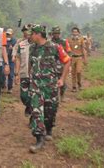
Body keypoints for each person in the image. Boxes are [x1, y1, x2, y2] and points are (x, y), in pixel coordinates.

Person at [27, 25, 69, 153]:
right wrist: (29, 76)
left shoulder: (55, 47)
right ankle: (39, 138)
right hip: (36, 86)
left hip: (50, 85)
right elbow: (31, 63)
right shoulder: (32, 48)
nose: (30, 36)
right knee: (36, 111)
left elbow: (67, 61)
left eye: (32, 34)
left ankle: (49, 127)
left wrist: (62, 79)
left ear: (38, 34)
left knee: (50, 110)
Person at [14, 24, 33, 116]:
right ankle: (29, 106)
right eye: (26, 30)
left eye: (29, 31)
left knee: (35, 97)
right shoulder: (21, 44)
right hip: (24, 74)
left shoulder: (39, 45)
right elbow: (18, 58)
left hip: (36, 75)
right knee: (23, 96)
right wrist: (16, 73)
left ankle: (33, 117)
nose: (27, 32)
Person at [51, 26, 71, 102]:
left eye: (57, 33)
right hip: (51, 63)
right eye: (55, 33)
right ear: (52, 33)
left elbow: (69, 52)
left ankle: (62, 96)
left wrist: (69, 63)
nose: (56, 34)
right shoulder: (49, 42)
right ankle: (54, 97)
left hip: (62, 63)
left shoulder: (64, 41)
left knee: (62, 80)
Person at [68, 27, 87, 92]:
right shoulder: (69, 40)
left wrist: (85, 59)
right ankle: (74, 86)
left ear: (78, 33)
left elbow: (83, 49)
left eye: (76, 32)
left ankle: (79, 83)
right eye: (73, 32)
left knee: (78, 71)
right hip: (72, 58)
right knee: (73, 73)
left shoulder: (81, 39)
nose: (74, 33)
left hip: (79, 57)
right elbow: (67, 50)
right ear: (72, 32)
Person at [4, 28, 17, 93]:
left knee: (11, 74)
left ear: (12, 34)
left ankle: (10, 88)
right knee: (2, 73)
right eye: (7, 34)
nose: (8, 35)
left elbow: (16, 49)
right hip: (4, 58)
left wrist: (12, 48)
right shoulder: (3, 39)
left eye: (9, 34)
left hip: (11, 59)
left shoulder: (14, 41)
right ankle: (3, 85)